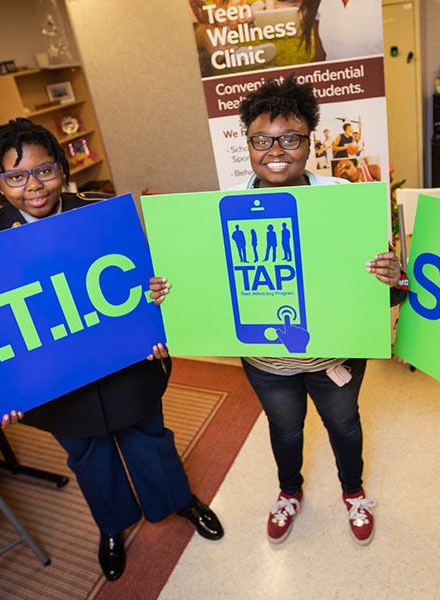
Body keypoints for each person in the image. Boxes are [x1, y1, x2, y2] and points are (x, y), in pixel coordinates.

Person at [0, 118, 224, 582]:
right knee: (88, 456)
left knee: (150, 439)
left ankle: (178, 502)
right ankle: (113, 527)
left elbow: (148, 277)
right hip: (52, 382)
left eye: (45, 171)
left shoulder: (104, 212)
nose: (33, 187)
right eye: (15, 177)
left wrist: (157, 300)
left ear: (62, 167)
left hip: (126, 363)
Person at [150, 75, 405, 546]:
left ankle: (353, 492)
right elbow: (207, 285)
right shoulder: (223, 209)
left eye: (290, 138)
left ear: (309, 142)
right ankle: (290, 492)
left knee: (344, 425)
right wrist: (171, 292)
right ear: (247, 143)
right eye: (262, 139)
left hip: (335, 357)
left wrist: (392, 277)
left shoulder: (345, 203)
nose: (276, 150)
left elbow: (389, 294)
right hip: (267, 361)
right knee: (285, 430)